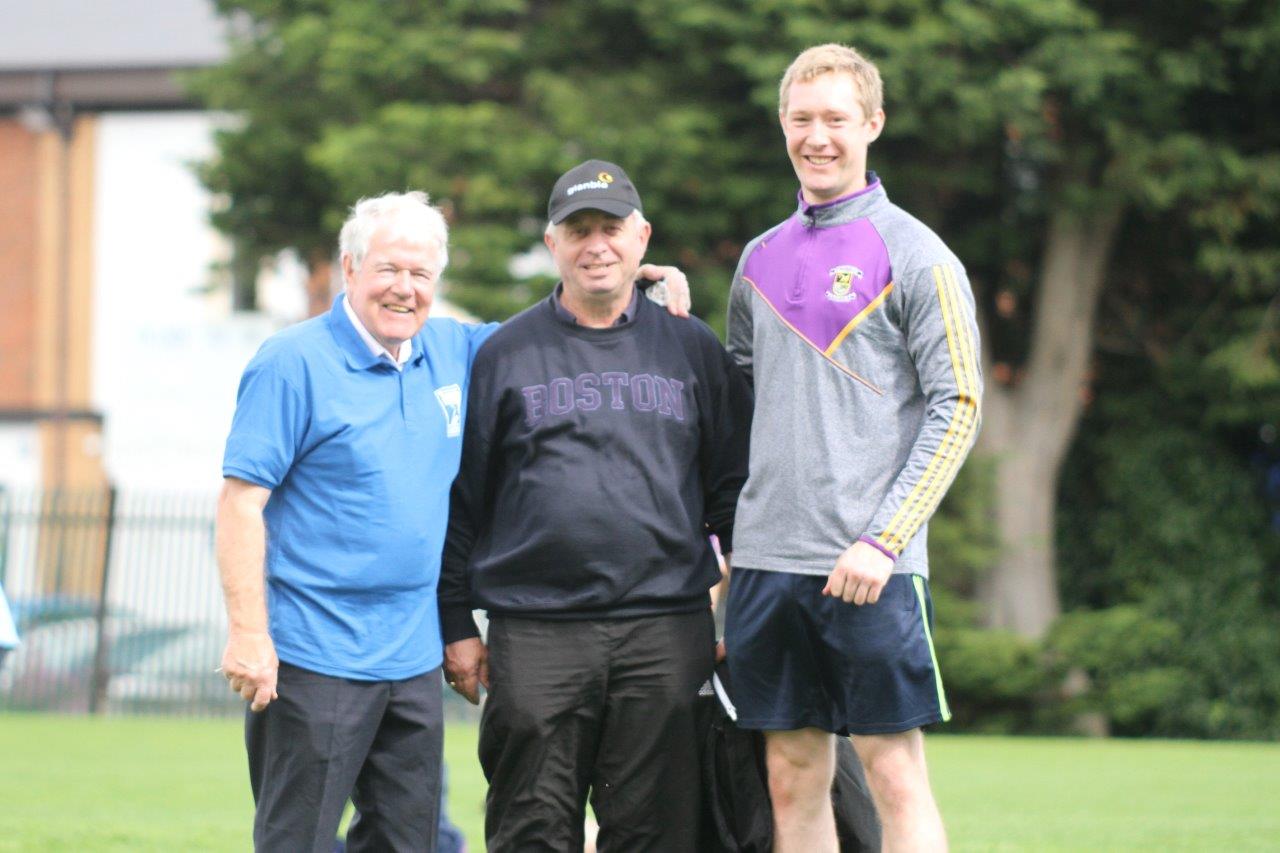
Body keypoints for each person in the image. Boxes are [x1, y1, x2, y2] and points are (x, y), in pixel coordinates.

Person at [216, 190, 690, 852]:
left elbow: (556, 326)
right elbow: (241, 502)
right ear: (349, 269)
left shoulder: (454, 349)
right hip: (314, 653)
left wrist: (618, 279)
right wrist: (247, 633)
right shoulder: (292, 361)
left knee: (412, 840)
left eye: (420, 275)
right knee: (300, 838)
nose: (403, 289)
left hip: (411, 658)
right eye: (387, 269)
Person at [439, 159, 752, 852]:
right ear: (553, 243)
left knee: (656, 833)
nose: (596, 244)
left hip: (666, 630)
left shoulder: (692, 348)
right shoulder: (504, 353)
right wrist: (456, 621)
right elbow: (464, 499)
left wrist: (746, 614)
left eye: (611, 228)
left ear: (641, 238)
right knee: (531, 827)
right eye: (578, 229)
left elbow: (733, 494)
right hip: (537, 632)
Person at [723, 44, 982, 851]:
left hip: (871, 566)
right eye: (802, 118)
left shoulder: (917, 254)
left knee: (894, 777)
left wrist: (886, 536)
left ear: (872, 124)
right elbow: (738, 400)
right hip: (769, 565)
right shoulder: (758, 259)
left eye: (836, 118)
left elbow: (960, 404)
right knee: (791, 777)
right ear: (783, 125)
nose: (818, 135)